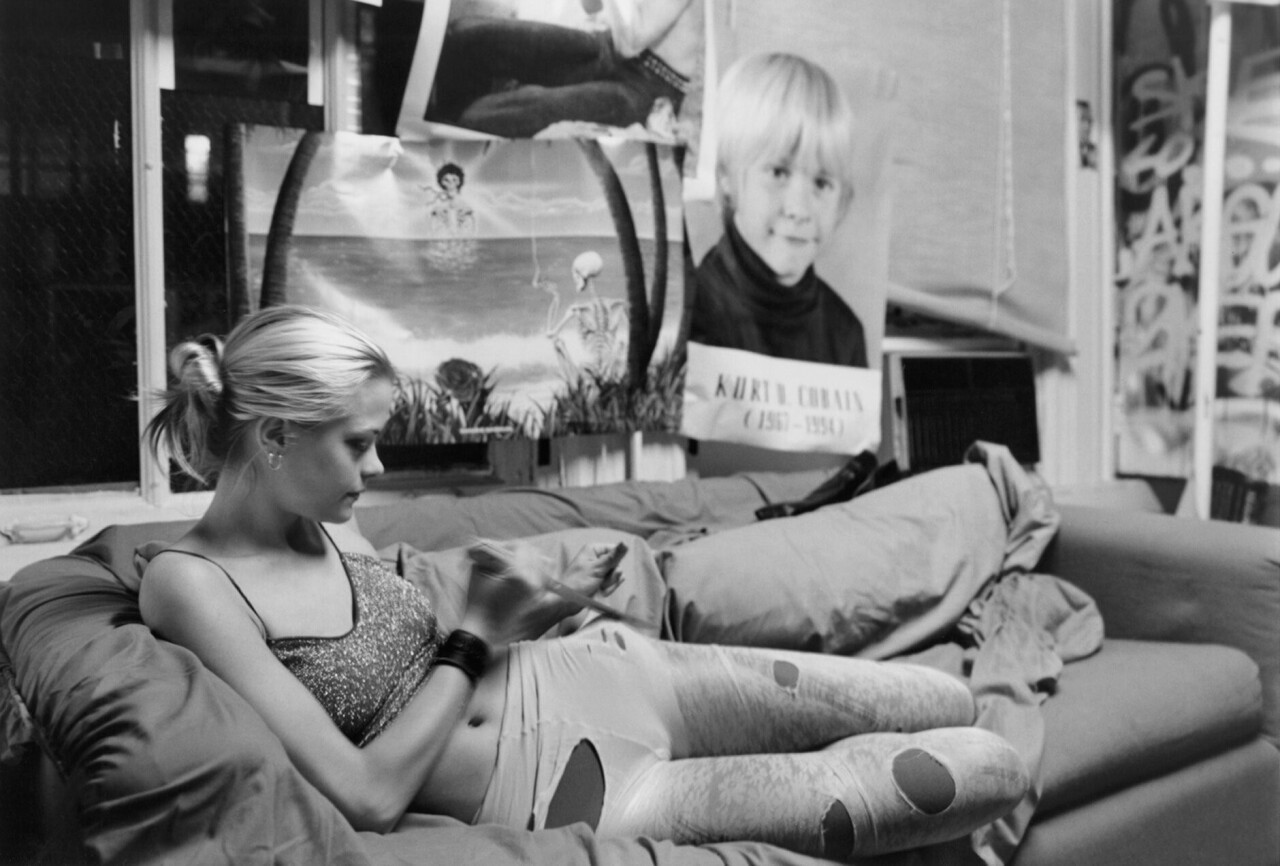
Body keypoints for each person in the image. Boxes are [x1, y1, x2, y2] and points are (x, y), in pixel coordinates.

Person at [138, 305, 1028, 860]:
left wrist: (538, 602)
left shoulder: (331, 519)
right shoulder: (192, 587)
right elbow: (366, 795)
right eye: (358, 444)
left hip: (615, 674)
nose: (375, 469)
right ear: (275, 437)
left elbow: (425, 665)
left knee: (941, 697)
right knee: (988, 768)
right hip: (578, 790)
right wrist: (477, 631)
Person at [689, 52, 868, 368]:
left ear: (844, 199)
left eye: (822, 182)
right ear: (726, 176)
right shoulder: (690, 314)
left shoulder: (844, 332)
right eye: (778, 173)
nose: (799, 209)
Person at [428, 0, 698, 139]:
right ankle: (443, 144)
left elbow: (633, 39)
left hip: (650, 86)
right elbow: (595, 7)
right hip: (608, 47)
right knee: (464, 38)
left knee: (483, 118)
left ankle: (454, 160)